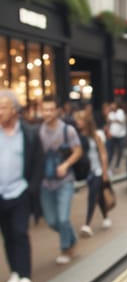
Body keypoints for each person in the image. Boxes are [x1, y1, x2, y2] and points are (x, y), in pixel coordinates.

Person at [0, 91, 43, 282]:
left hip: (20, 192)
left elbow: (38, 162)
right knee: (7, 234)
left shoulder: (29, 133)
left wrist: (30, 189)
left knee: (19, 232)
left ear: (15, 110)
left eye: (3, 107)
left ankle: (25, 275)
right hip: (1, 194)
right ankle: (15, 271)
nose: (0, 111)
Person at [38, 96, 82, 263]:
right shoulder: (38, 131)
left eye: (50, 109)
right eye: (44, 109)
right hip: (45, 182)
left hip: (65, 181)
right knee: (51, 221)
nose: (47, 113)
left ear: (57, 111)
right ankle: (72, 237)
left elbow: (78, 151)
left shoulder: (67, 130)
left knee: (63, 218)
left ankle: (66, 249)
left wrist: (65, 165)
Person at [74, 110, 111, 237]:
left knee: (92, 196)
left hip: (98, 171)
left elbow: (103, 154)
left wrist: (105, 172)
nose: (78, 123)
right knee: (99, 196)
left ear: (86, 122)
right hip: (88, 172)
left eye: (80, 120)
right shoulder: (78, 136)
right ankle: (106, 217)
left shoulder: (96, 136)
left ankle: (87, 225)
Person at [105, 101, 127, 170]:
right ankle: (108, 164)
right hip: (112, 135)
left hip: (121, 135)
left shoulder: (120, 112)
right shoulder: (110, 113)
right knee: (110, 151)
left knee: (120, 150)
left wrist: (113, 120)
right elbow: (108, 122)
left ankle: (117, 164)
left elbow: (121, 120)